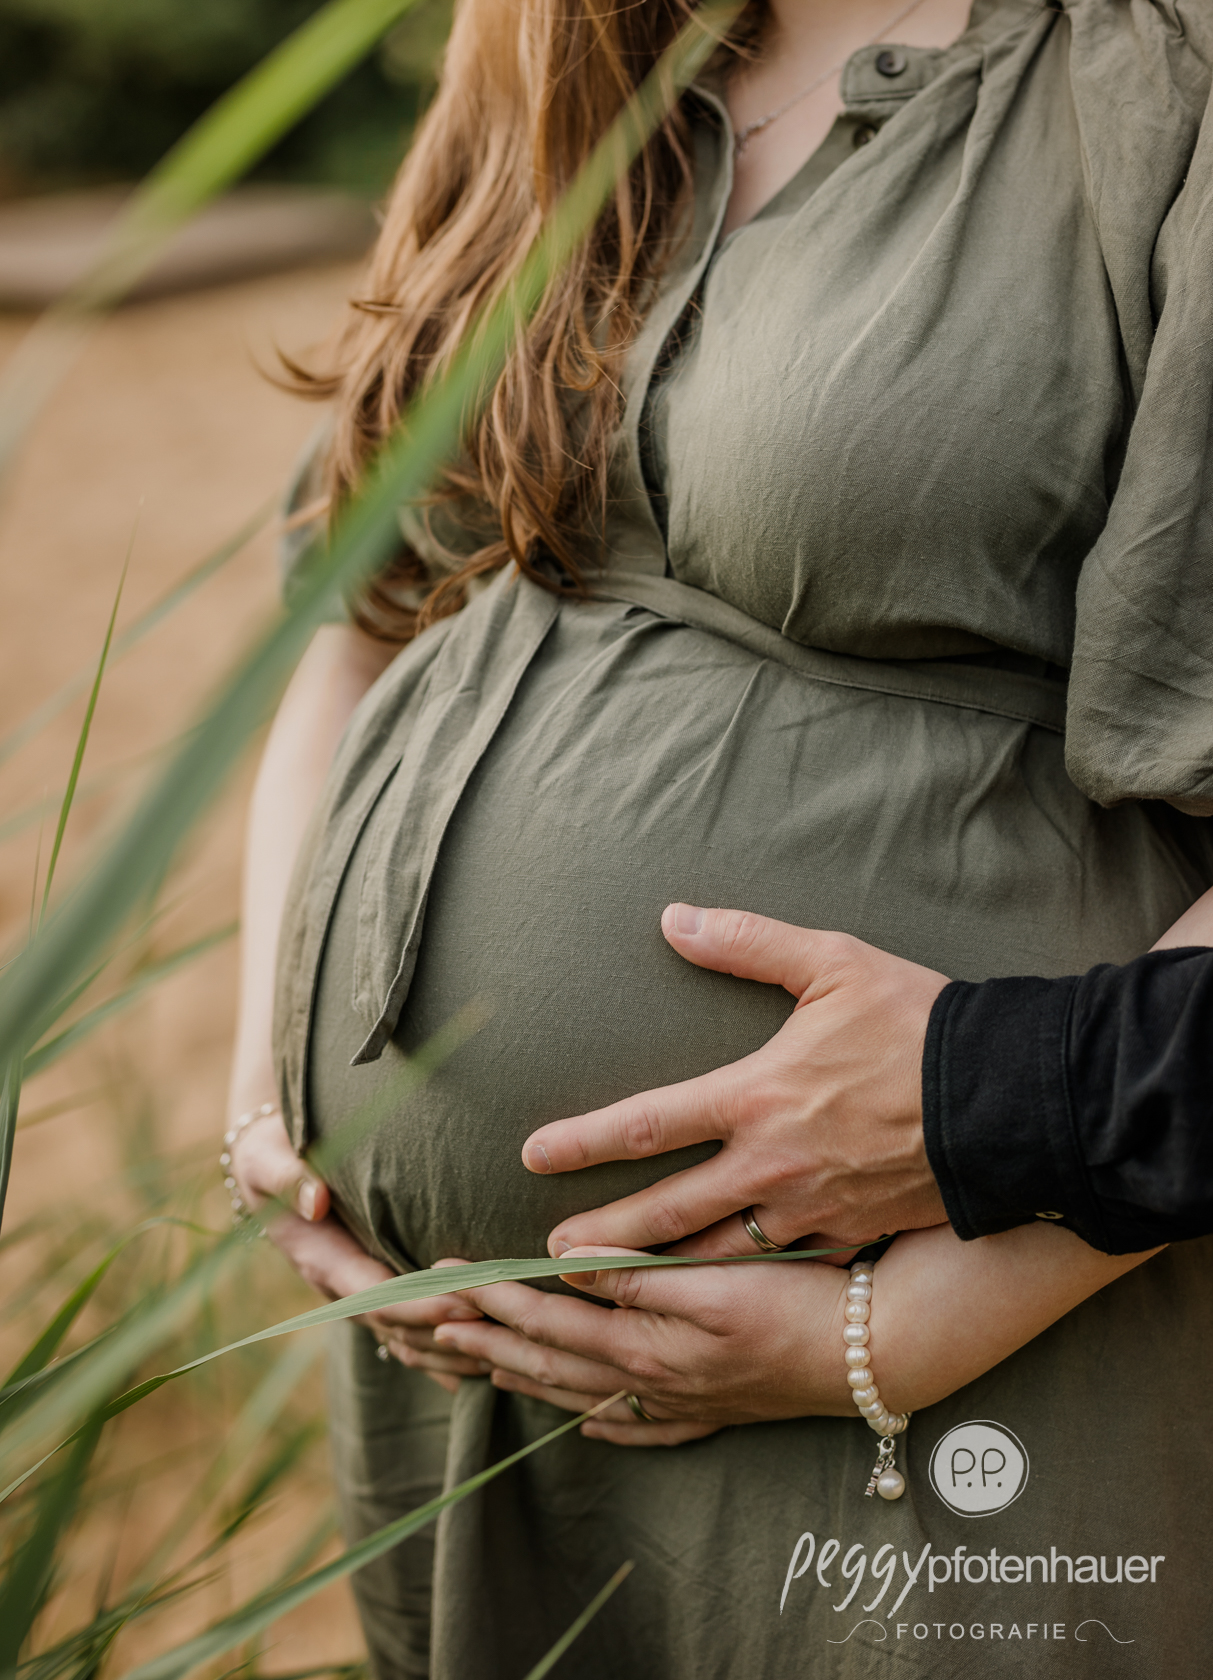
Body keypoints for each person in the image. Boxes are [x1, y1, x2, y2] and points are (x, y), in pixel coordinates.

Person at [226, 0, 1213, 1674]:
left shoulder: (1159, 77)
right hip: (459, 1379)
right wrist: (273, 1070)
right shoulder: (555, 48)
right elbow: (370, 612)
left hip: (984, 1330)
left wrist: (901, 1329)